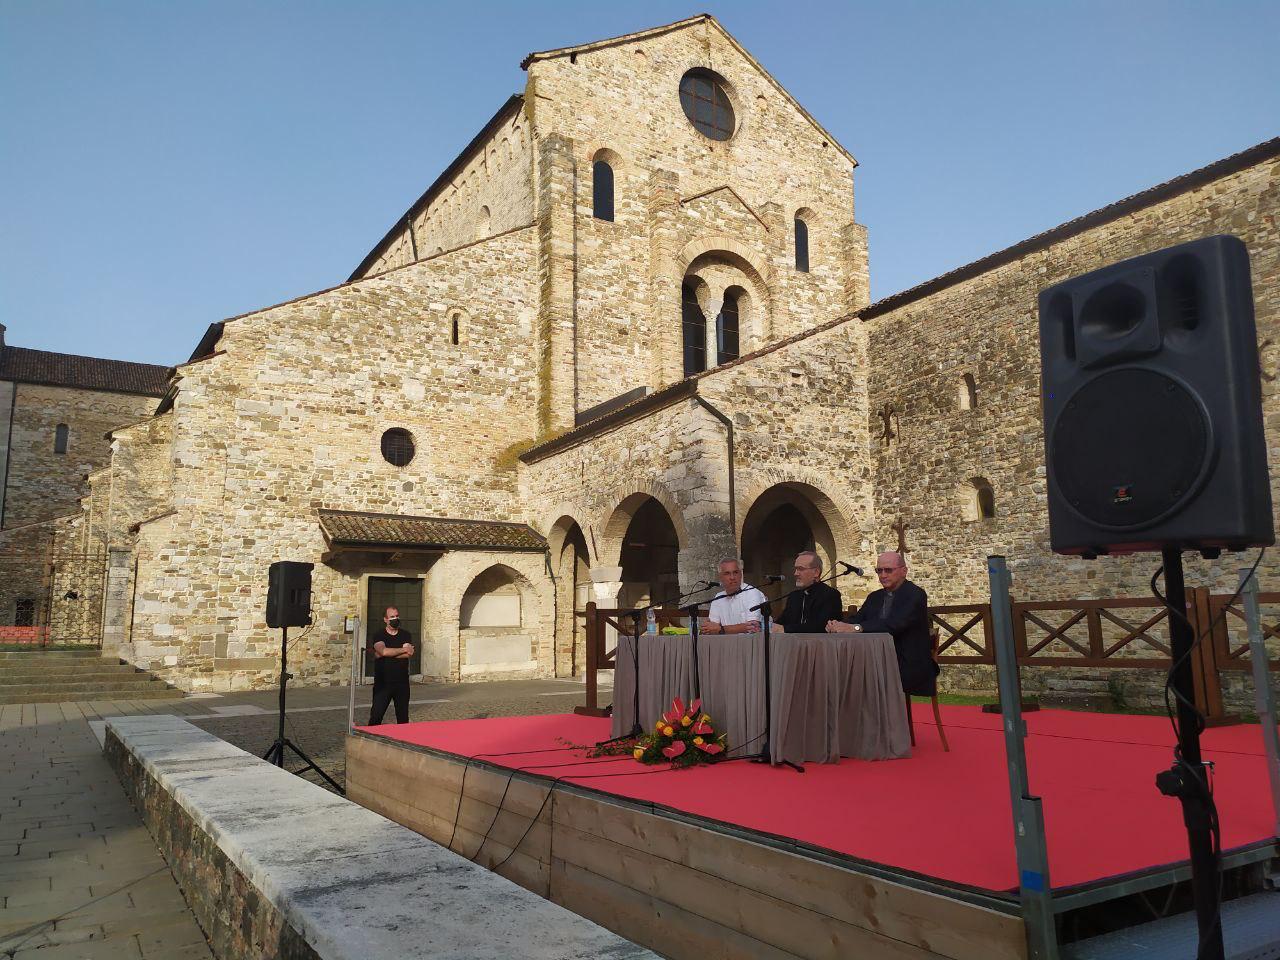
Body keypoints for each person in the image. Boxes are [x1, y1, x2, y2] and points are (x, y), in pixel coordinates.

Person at [826, 551, 938, 696]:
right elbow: (858, 619)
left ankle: (877, 718)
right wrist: (837, 625)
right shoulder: (874, 597)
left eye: (888, 570)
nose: (883, 575)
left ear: (904, 571)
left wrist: (855, 628)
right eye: (879, 570)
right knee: (839, 674)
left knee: (857, 678)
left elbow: (894, 624)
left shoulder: (916, 594)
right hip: (875, 659)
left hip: (908, 663)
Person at [775, 551, 843, 633]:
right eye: (796, 569)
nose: (795, 573)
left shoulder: (830, 595)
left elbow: (822, 627)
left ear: (816, 572)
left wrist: (785, 629)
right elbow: (781, 622)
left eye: (800, 569)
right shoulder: (794, 596)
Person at [368, 606, 414, 725]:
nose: (396, 619)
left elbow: (408, 653)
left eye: (397, 616)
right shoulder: (379, 635)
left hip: (402, 683)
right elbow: (382, 651)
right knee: (376, 716)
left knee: (403, 717)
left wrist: (386, 654)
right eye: (392, 617)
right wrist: (400, 650)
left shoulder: (405, 635)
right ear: (385, 619)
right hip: (383, 683)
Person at [703, 557, 767, 634]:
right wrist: (709, 628)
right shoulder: (718, 597)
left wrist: (721, 629)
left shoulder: (752, 593)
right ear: (720, 577)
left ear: (741, 574)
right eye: (727, 573)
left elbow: (753, 627)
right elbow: (712, 629)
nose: (732, 577)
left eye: (735, 572)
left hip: (752, 643)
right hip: (727, 644)